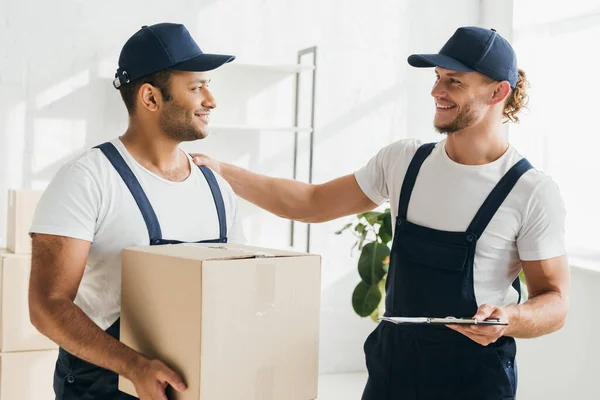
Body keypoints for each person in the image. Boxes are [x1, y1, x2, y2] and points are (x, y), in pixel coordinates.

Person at [192, 26, 569, 399]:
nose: (436, 91)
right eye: (437, 78)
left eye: (454, 81)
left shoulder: (530, 191)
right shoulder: (403, 161)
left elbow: (555, 301)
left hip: (475, 377)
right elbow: (311, 203)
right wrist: (223, 172)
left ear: (498, 91)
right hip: (394, 368)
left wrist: (510, 319)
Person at [28, 22, 246, 400]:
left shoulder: (217, 190)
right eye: (196, 87)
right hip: (104, 385)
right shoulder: (87, 180)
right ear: (150, 97)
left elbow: (234, 291)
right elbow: (47, 306)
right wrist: (134, 366)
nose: (211, 100)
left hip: (195, 385)